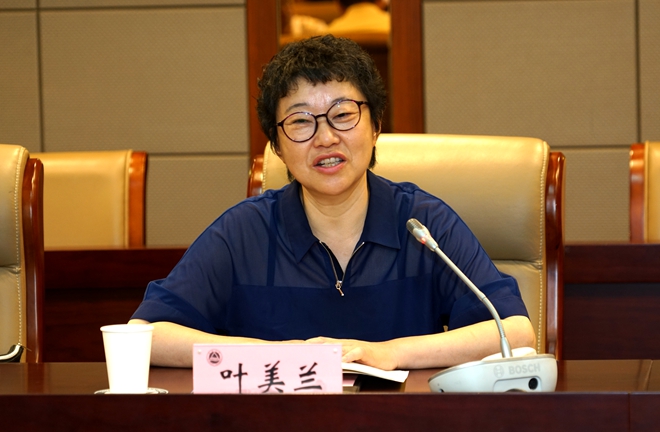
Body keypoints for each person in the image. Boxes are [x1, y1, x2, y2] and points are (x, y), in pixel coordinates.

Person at [129, 35, 535, 369]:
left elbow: (515, 332)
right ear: (277, 147)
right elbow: (144, 336)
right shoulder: (243, 233)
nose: (325, 138)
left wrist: (389, 353)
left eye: (343, 115)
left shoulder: (423, 224)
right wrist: (275, 356)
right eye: (301, 121)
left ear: (376, 126)